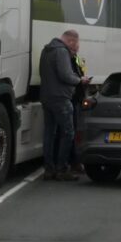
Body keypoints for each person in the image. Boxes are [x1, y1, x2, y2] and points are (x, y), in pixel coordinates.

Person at [39, 30, 90, 181]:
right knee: (68, 133)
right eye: (75, 44)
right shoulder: (61, 51)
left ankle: (49, 169)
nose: (75, 48)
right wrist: (81, 80)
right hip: (61, 98)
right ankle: (62, 169)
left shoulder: (46, 50)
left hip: (46, 97)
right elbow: (65, 75)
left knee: (49, 134)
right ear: (71, 41)